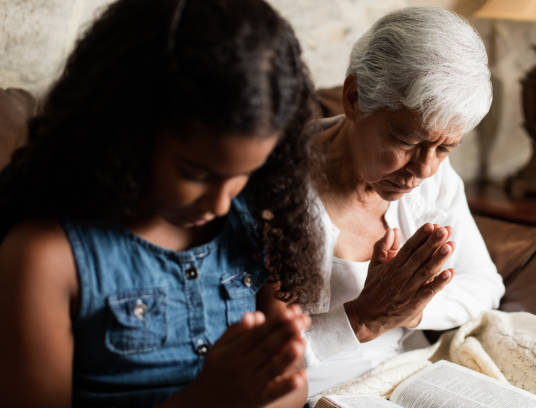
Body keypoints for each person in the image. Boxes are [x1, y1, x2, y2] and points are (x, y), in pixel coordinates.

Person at [0, 0, 323, 407]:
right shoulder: (45, 257)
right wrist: (208, 399)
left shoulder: (261, 220)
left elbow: (295, 388)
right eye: (197, 173)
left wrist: (276, 379)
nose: (222, 204)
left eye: (244, 174)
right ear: (129, 131)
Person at [303, 7, 505, 396]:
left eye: (445, 147)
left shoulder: (434, 181)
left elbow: (485, 285)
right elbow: (239, 348)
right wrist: (363, 318)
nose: (425, 169)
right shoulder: (276, 183)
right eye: (406, 140)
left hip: (412, 378)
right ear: (354, 97)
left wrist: (413, 310)